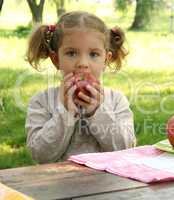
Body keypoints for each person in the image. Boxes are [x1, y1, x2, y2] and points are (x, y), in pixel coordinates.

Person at [25, 11, 136, 164]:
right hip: (59, 186)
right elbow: (40, 155)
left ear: (106, 59)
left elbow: (126, 149)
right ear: (56, 59)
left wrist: (97, 112)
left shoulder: (116, 101)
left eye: (93, 54)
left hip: (109, 185)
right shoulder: (41, 102)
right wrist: (65, 113)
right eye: (71, 53)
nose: (83, 63)